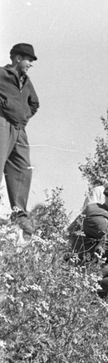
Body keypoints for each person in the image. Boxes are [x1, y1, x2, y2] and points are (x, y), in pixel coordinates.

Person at [0, 43, 38, 231]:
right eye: (28, 60)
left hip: (19, 128)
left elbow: (35, 103)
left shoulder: (27, 81)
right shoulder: (1, 74)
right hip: (2, 122)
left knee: (23, 167)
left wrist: (23, 116)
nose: (30, 64)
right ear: (17, 58)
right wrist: (4, 106)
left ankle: (19, 213)